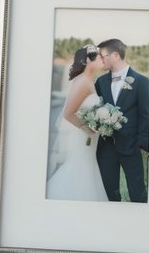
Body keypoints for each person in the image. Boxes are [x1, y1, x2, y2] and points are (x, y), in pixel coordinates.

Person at [46, 45, 108, 202]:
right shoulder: (82, 82)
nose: (103, 59)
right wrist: (87, 128)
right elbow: (68, 113)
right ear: (89, 60)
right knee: (81, 168)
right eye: (100, 57)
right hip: (83, 138)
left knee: (87, 167)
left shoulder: (87, 80)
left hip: (89, 139)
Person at [95, 39, 149, 203]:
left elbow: (145, 115)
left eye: (102, 56)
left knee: (137, 192)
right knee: (109, 193)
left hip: (131, 147)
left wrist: (140, 144)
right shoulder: (100, 82)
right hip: (106, 148)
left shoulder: (142, 82)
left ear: (115, 55)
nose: (100, 60)